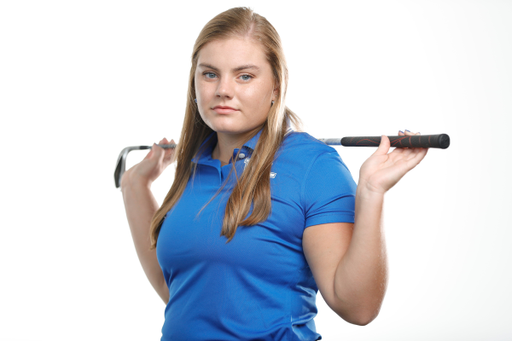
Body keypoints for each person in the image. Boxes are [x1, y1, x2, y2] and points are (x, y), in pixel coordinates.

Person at [120, 7, 428, 341]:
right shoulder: (194, 165)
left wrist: (370, 192)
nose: (223, 89)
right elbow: (180, 290)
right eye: (210, 74)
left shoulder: (314, 166)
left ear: (276, 87)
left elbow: (357, 307)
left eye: (245, 76)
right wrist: (134, 185)